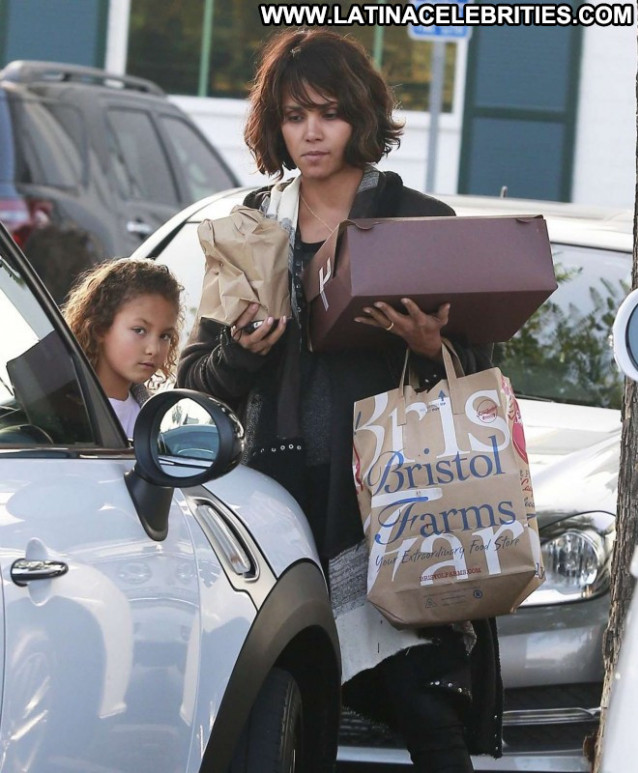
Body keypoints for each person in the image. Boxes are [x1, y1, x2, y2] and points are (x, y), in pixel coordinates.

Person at [178, 28, 502, 772]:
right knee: (283, 713)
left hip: (389, 503)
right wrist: (240, 353)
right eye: (294, 116)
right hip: (270, 505)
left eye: (328, 112)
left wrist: (428, 347)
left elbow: (479, 374)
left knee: (423, 705)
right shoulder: (249, 226)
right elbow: (193, 383)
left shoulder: (417, 219)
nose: (312, 131)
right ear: (274, 126)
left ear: (360, 115)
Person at [63, 258, 182, 437]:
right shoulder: (64, 416)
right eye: (139, 330)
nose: (154, 349)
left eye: (164, 336)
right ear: (100, 327)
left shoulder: (159, 423)